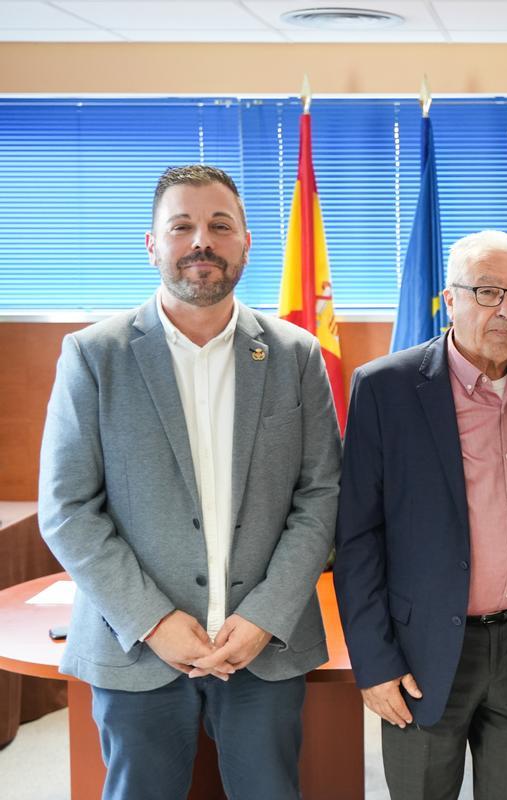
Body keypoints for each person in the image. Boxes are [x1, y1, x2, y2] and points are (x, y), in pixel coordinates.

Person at [38, 164, 342, 800]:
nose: (201, 241)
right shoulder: (95, 356)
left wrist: (263, 615)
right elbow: (68, 509)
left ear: (245, 242)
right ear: (151, 243)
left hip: (264, 646)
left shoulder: (296, 354)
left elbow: (321, 497)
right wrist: (153, 621)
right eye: (182, 226)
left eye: (219, 225)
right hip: (137, 649)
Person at [333, 230, 507, 800]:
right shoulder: (386, 387)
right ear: (450, 300)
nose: (505, 309)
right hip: (422, 651)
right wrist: (374, 662)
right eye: (485, 291)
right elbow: (357, 539)